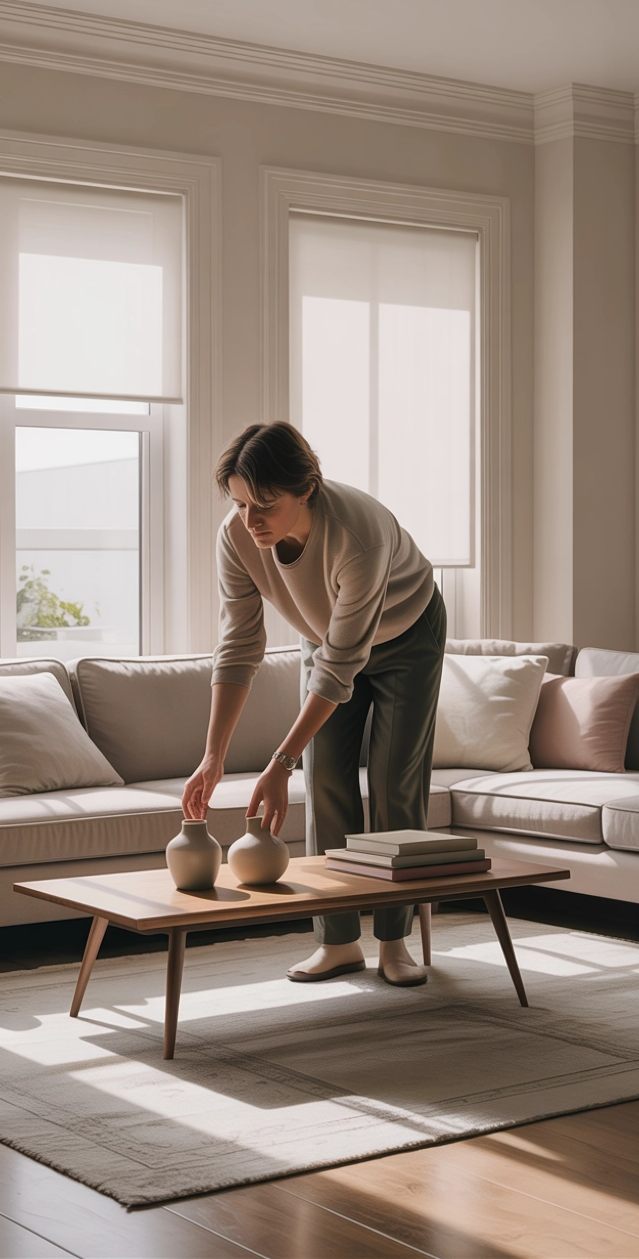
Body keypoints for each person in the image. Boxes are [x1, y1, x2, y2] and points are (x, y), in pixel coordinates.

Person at [180, 421, 446, 986]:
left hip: (406, 635)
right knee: (325, 779)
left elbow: (342, 666)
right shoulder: (237, 536)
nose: (250, 520)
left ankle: (395, 943)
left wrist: (279, 762)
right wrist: (213, 756)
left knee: (396, 783)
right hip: (328, 638)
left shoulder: (358, 534)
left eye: (265, 505)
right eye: (240, 502)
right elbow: (239, 645)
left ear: (307, 489)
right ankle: (339, 942)